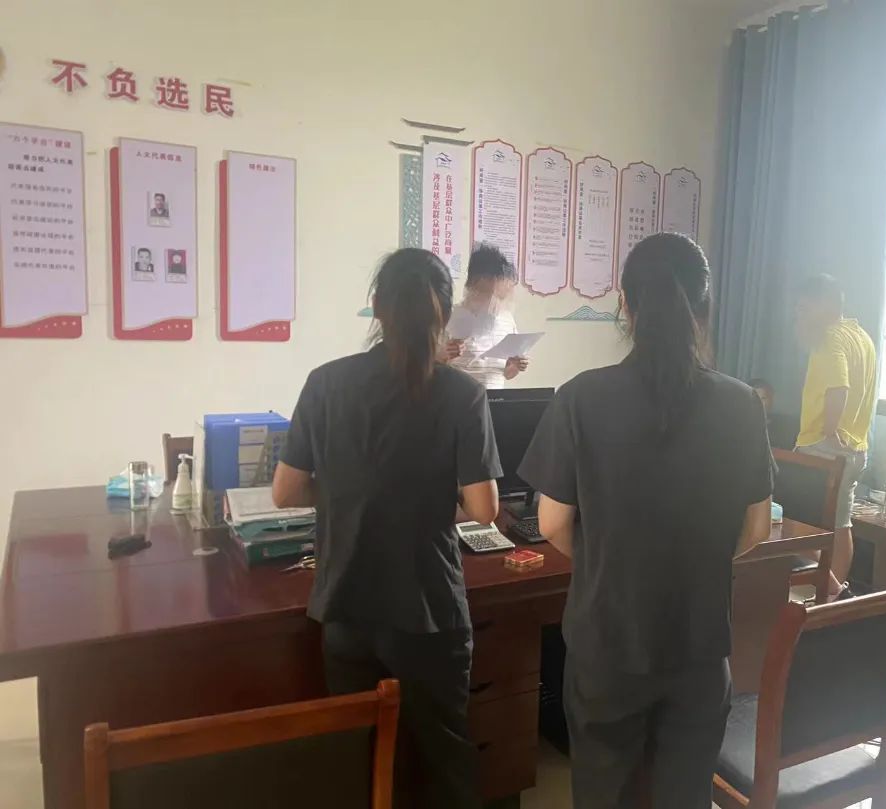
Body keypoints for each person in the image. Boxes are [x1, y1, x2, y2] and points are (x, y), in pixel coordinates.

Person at [519, 233, 774, 809]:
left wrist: (607, 558)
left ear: (625, 306)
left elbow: (552, 523)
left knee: (602, 793)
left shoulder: (581, 398)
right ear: (703, 308)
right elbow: (758, 528)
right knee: (685, 796)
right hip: (699, 647)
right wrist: (698, 557)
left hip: (607, 645)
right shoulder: (741, 404)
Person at [272, 248, 502, 809]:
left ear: (376, 308)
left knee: (362, 758)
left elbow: (286, 491)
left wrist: (347, 493)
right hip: (429, 612)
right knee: (443, 758)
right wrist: (425, 497)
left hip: (346, 606)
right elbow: (484, 508)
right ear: (444, 313)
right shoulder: (463, 394)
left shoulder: (325, 383)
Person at [794, 274, 877, 600]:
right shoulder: (862, 337)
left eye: (805, 308)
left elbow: (839, 387)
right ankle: (833, 599)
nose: (800, 315)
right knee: (842, 525)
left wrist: (829, 429)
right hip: (856, 448)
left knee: (795, 526)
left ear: (825, 304)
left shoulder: (829, 338)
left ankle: (827, 592)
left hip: (823, 447)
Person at [446, 244, 530, 389]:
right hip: (459, 398)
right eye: (489, 293)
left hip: (495, 399)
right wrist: (446, 355)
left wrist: (516, 366)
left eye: (500, 296)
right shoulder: (450, 317)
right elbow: (432, 367)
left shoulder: (506, 319)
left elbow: (505, 374)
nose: (494, 302)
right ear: (473, 285)